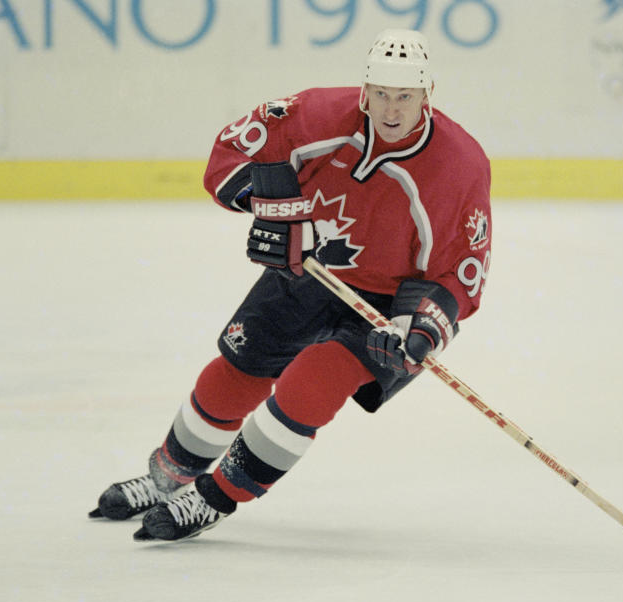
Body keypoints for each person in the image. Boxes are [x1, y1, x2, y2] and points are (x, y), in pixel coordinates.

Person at [89, 28, 492, 542]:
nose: (392, 110)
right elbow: (232, 153)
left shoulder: (460, 165)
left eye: (406, 97)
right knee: (235, 373)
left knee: (310, 384)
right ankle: (166, 477)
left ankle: (214, 499)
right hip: (310, 270)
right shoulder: (314, 114)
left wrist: (418, 329)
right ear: (365, 89)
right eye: (383, 95)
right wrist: (275, 213)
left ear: (427, 95)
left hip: (386, 306)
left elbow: (461, 268)